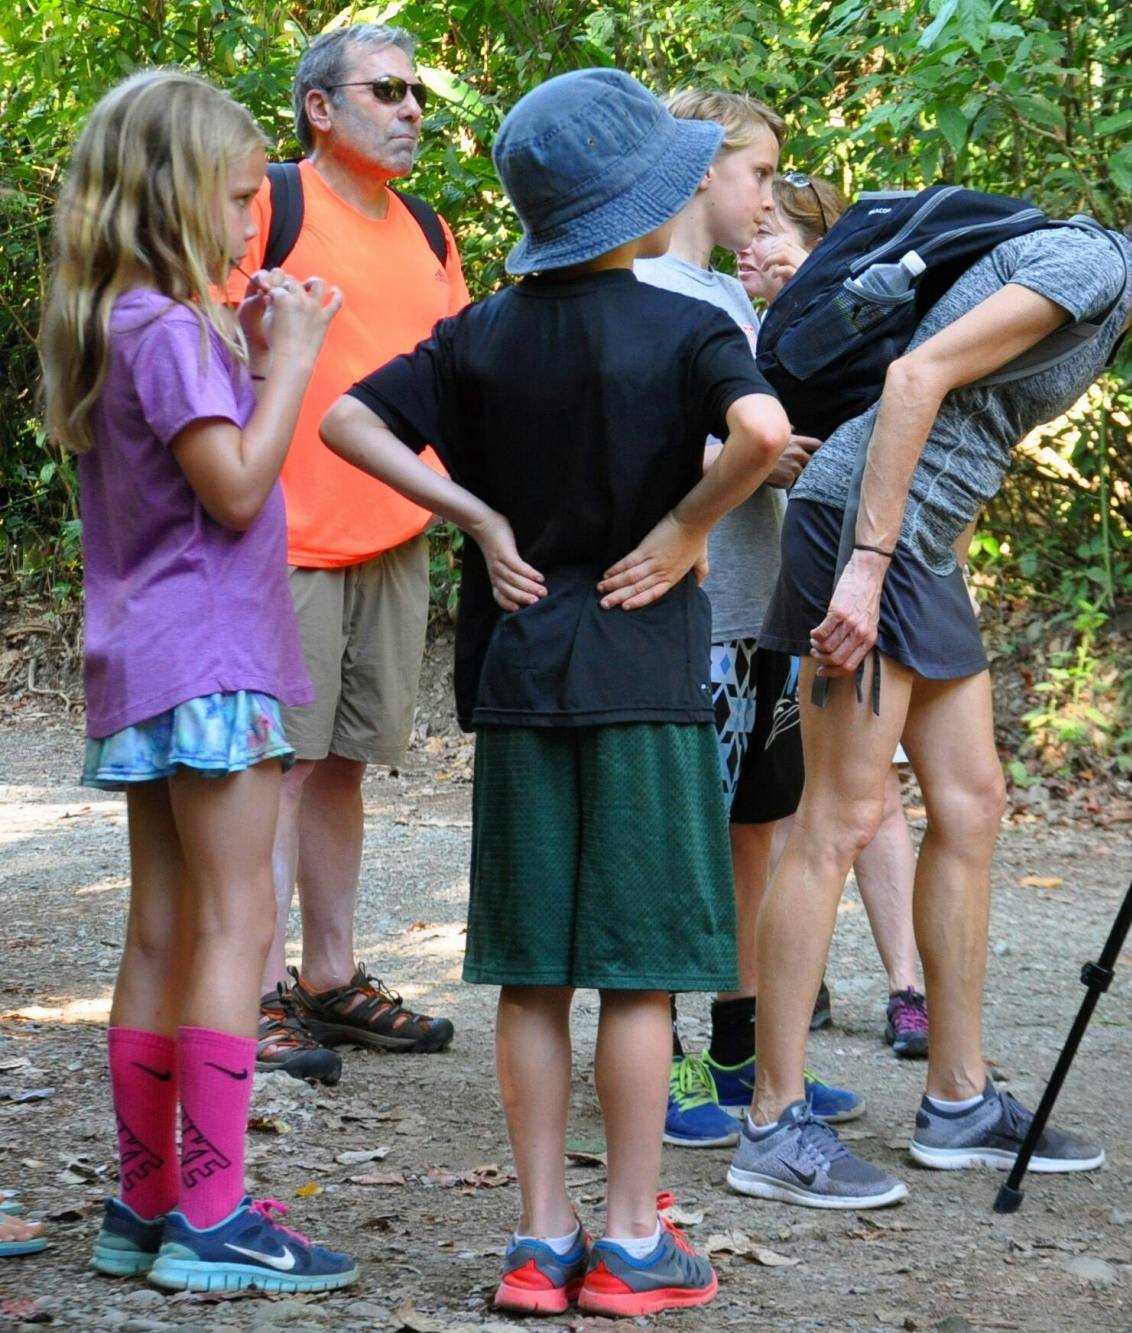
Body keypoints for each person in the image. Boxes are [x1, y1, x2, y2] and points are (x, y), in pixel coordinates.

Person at [610, 153, 1132, 1208]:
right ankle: (772, 1118)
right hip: (865, 535)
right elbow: (913, 379)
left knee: (971, 802)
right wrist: (865, 563)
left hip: (917, 551)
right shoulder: (1085, 265)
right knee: (839, 817)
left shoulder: (1115, 303)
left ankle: (957, 1098)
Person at [322, 67, 791, 1310]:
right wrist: (691, 528)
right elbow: (759, 433)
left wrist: (473, 514)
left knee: (534, 973)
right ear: (636, 205)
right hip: (642, 676)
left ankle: (541, 1238)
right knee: (636, 971)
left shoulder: (480, 329)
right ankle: (634, 1240)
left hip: (521, 669)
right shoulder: (684, 325)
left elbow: (347, 424)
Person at [41, 69, 356, 1290]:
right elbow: (232, 490)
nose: (251, 227)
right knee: (239, 924)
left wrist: (258, 348)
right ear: (174, 199)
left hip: (144, 658)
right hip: (213, 662)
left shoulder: (117, 320)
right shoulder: (171, 328)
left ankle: (147, 1206)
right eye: (236, 201)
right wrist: (294, 365)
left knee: (161, 925)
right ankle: (215, 1222)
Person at [234, 23, 469, 1085]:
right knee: (268, 773)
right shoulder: (267, 203)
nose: (412, 108)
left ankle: (329, 981)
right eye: (387, 89)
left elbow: (458, 378)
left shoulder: (429, 228)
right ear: (320, 107)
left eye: (416, 92)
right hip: (278, 534)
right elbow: (201, 335)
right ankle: (247, 995)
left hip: (392, 534)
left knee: (337, 767)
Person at [632, 95, 864, 1153]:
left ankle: (738, 1043)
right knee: (677, 839)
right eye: (757, 173)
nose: (771, 198)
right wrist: (754, 458)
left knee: (752, 837)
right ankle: (662, 1049)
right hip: (689, 618)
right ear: (695, 169)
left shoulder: (736, 298)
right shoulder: (643, 293)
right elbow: (639, 456)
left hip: (760, 610)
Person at [740, 172, 932, 1061]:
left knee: (869, 785)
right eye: (751, 226)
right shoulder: (725, 323)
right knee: (779, 794)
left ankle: (906, 987)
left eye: (776, 228)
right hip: (752, 598)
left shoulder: (859, 334)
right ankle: (797, 973)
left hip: (848, 581)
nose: (755, 243)